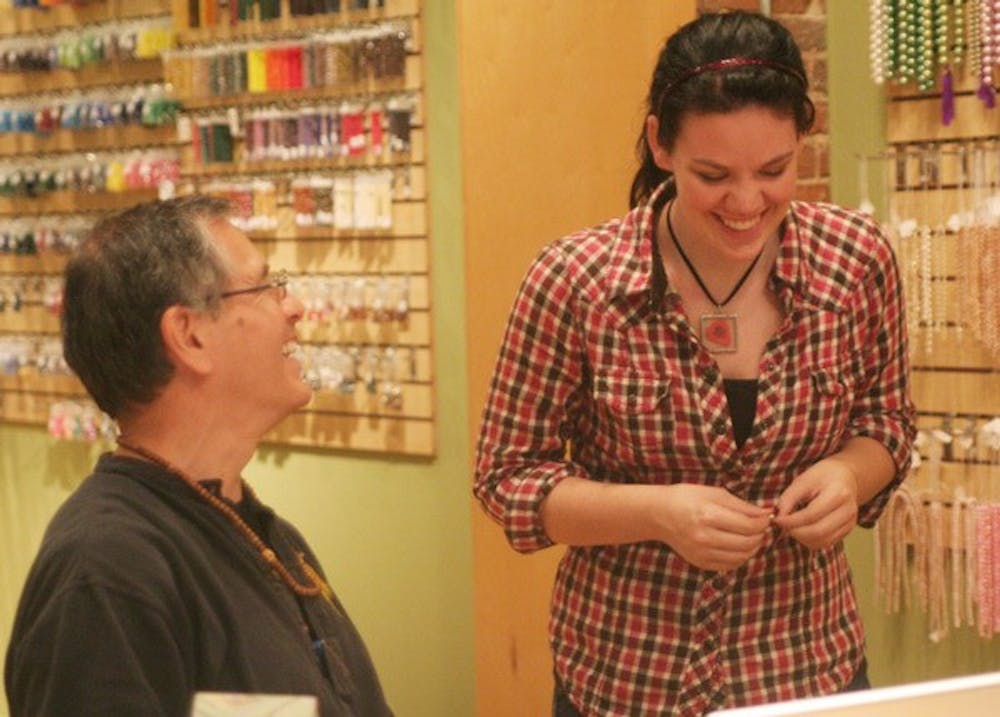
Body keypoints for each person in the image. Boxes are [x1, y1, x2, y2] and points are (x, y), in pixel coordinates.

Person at [474, 11, 915, 716]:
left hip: (806, 666)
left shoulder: (857, 260)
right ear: (660, 143)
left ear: (804, 135)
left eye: (775, 170)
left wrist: (848, 474)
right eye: (713, 174)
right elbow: (506, 480)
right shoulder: (576, 279)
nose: (747, 202)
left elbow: (887, 421)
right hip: (624, 676)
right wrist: (656, 511)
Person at [4, 196, 392, 716]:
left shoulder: (261, 531)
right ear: (189, 336)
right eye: (266, 287)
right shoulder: (106, 571)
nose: (294, 307)